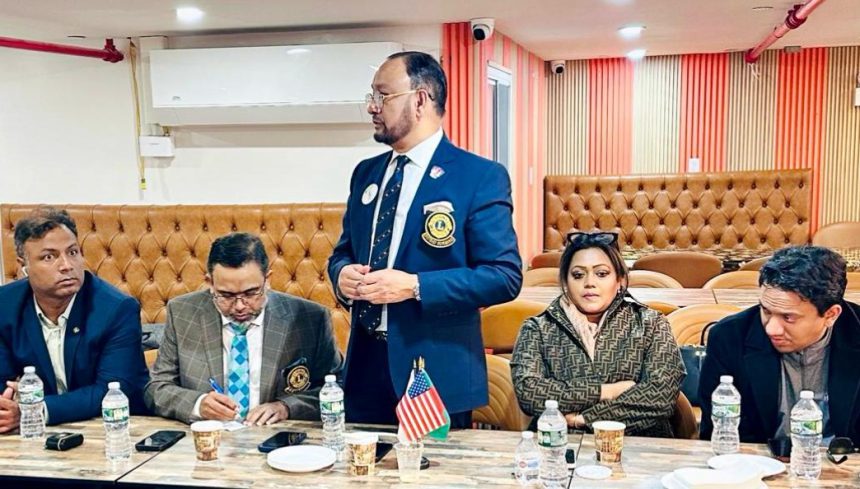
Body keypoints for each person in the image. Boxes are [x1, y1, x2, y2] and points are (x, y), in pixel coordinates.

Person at [327, 51, 522, 427]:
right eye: (372, 96)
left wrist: (415, 286)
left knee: (430, 467)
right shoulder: (366, 173)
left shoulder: (478, 176)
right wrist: (342, 275)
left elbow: (504, 276)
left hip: (433, 370)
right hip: (364, 369)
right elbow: (343, 252)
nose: (372, 107)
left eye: (383, 95)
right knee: (360, 465)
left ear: (420, 99)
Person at [145, 232, 342, 425]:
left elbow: (338, 387)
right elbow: (156, 388)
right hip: (208, 437)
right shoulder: (182, 313)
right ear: (210, 283)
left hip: (276, 437)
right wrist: (198, 404)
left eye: (251, 293)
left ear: (268, 279)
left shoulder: (309, 318)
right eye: (226, 295)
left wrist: (286, 407)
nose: (239, 306)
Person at [511, 232, 685, 437]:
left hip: (639, 444)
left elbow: (660, 395)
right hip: (558, 444)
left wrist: (584, 419)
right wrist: (606, 391)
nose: (589, 283)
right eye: (578, 275)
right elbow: (529, 393)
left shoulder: (651, 323)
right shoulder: (537, 328)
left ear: (620, 280)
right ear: (565, 282)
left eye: (601, 274)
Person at [0, 207, 149, 431]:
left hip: (112, 428)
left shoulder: (116, 309)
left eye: (72, 252)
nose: (67, 266)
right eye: (49, 257)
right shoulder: (5, 306)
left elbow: (111, 389)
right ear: (24, 266)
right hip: (33, 432)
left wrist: (35, 410)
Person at [699, 246, 860, 444]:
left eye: (788, 317)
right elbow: (717, 432)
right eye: (766, 311)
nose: (771, 329)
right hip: (756, 458)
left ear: (831, 315)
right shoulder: (730, 337)